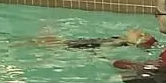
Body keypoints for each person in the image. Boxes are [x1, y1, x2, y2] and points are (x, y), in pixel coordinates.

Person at [16, 28, 157, 50]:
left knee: (39, 42)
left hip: (74, 48)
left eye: (140, 34)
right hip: (77, 45)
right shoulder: (119, 39)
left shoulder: (119, 42)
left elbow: (103, 50)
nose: (138, 30)